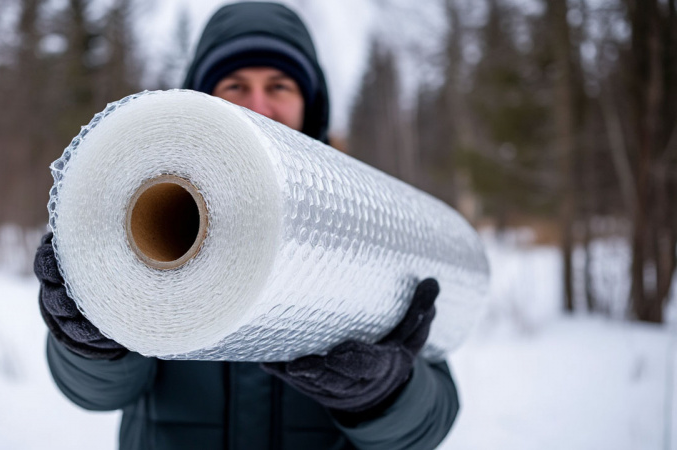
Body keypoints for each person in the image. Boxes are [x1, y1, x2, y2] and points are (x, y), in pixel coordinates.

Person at [34, 2, 459, 449]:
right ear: (203, 100)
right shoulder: (129, 205)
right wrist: (89, 342)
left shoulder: (368, 224)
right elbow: (97, 393)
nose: (259, 105)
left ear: (310, 106)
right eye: (236, 85)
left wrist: (385, 394)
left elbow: (431, 423)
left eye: (279, 86)